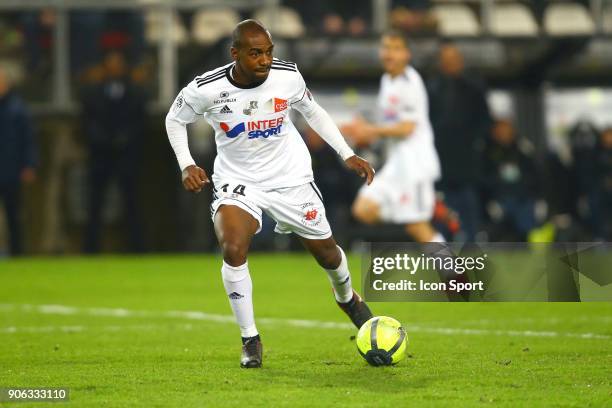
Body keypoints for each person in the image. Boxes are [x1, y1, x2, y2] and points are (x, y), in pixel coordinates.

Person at [165, 20, 375, 368]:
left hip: (290, 177)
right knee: (232, 246)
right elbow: (174, 119)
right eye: (256, 53)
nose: (265, 60)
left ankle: (348, 298)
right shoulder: (207, 88)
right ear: (235, 54)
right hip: (239, 179)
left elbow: (313, 111)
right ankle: (250, 338)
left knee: (328, 255)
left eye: (269, 52)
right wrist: (186, 164)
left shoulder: (287, 76)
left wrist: (346, 153)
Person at [341, 30, 445, 244]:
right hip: (396, 165)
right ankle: (418, 209)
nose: (389, 54)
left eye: (396, 49)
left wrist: (370, 130)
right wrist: (363, 132)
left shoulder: (410, 82)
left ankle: (456, 277)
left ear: (407, 54)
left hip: (415, 165)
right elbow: (389, 126)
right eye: (386, 48)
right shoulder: (388, 80)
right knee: (363, 210)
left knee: (416, 226)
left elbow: (407, 128)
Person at [81, 50, 147, 253]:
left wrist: (125, 139)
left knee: (132, 202)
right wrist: (101, 139)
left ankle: (137, 248)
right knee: (95, 203)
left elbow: (140, 121)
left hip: (126, 156)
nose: (114, 68)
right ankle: (91, 249)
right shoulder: (92, 92)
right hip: (100, 156)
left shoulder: (136, 91)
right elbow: (86, 121)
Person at [427, 43, 492, 242]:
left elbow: (485, 121)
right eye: (446, 60)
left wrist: (475, 142)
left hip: (467, 165)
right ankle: (443, 257)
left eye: (454, 59)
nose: (451, 64)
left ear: (461, 62)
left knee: (470, 213)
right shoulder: (431, 89)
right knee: (441, 215)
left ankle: (472, 256)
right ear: (440, 63)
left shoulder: (473, 89)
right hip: (439, 165)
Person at [0, 66, 37, 256]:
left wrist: (29, 164)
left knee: (14, 215)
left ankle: (17, 253)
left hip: (10, 169)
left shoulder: (17, 109)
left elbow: (27, 139)